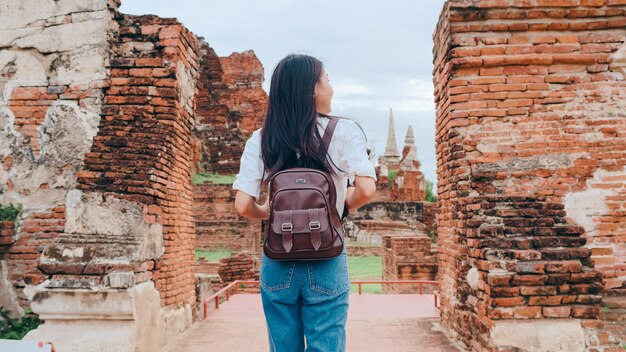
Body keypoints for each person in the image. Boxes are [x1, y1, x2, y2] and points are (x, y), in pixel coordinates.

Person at [232, 53, 377, 352]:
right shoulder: (343, 131)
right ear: (312, 89)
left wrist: (267, 213)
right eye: (327, 80)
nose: (331, 88)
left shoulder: (262, 138)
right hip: (327, 255)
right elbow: (366, 188)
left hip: (278, 259)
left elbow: (243, 205)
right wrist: (340, 209)